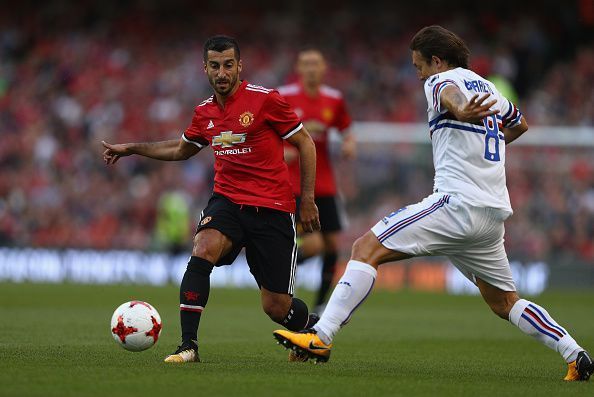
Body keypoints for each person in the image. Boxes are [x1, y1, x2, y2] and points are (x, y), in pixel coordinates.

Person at [272, 25, 594, 381]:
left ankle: (321, 336)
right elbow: (520, 124)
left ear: (437, 61)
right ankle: (574, 353)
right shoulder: (488, 87)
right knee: (505, 302)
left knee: (365, 248)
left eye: (419, 65)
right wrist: (484, 138)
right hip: (491, 216)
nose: (419, 73)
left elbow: (451, 96)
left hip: (456, 205)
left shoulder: (440, 82)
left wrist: (462, 112)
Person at [103, 35, 320, 363]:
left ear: (239, 67)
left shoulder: (265, 101)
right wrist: (132, 148)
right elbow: (180, 149)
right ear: (205, 68)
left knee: (275, 306)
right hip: (228, 201)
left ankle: (314, 330)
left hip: (273, 209)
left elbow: (306, 142)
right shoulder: (204, 112)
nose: (222, 72)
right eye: (215, 66)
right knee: (203, 248)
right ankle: (188, 345)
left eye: (228, 65)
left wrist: (307, 199)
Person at [277, 47, 355, 314]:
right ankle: (277, 277)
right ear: (298, 68)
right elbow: (265, 132)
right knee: (314, 244)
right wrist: (281, 151)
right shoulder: (284, 96)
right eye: (306, 63)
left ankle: (321, 304)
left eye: (316, 63)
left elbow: (346, 129)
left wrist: (349, 144)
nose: (311, 68)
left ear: (324, 68)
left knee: (333, 246)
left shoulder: (333, 99)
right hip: (293, 184)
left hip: (326, 184)